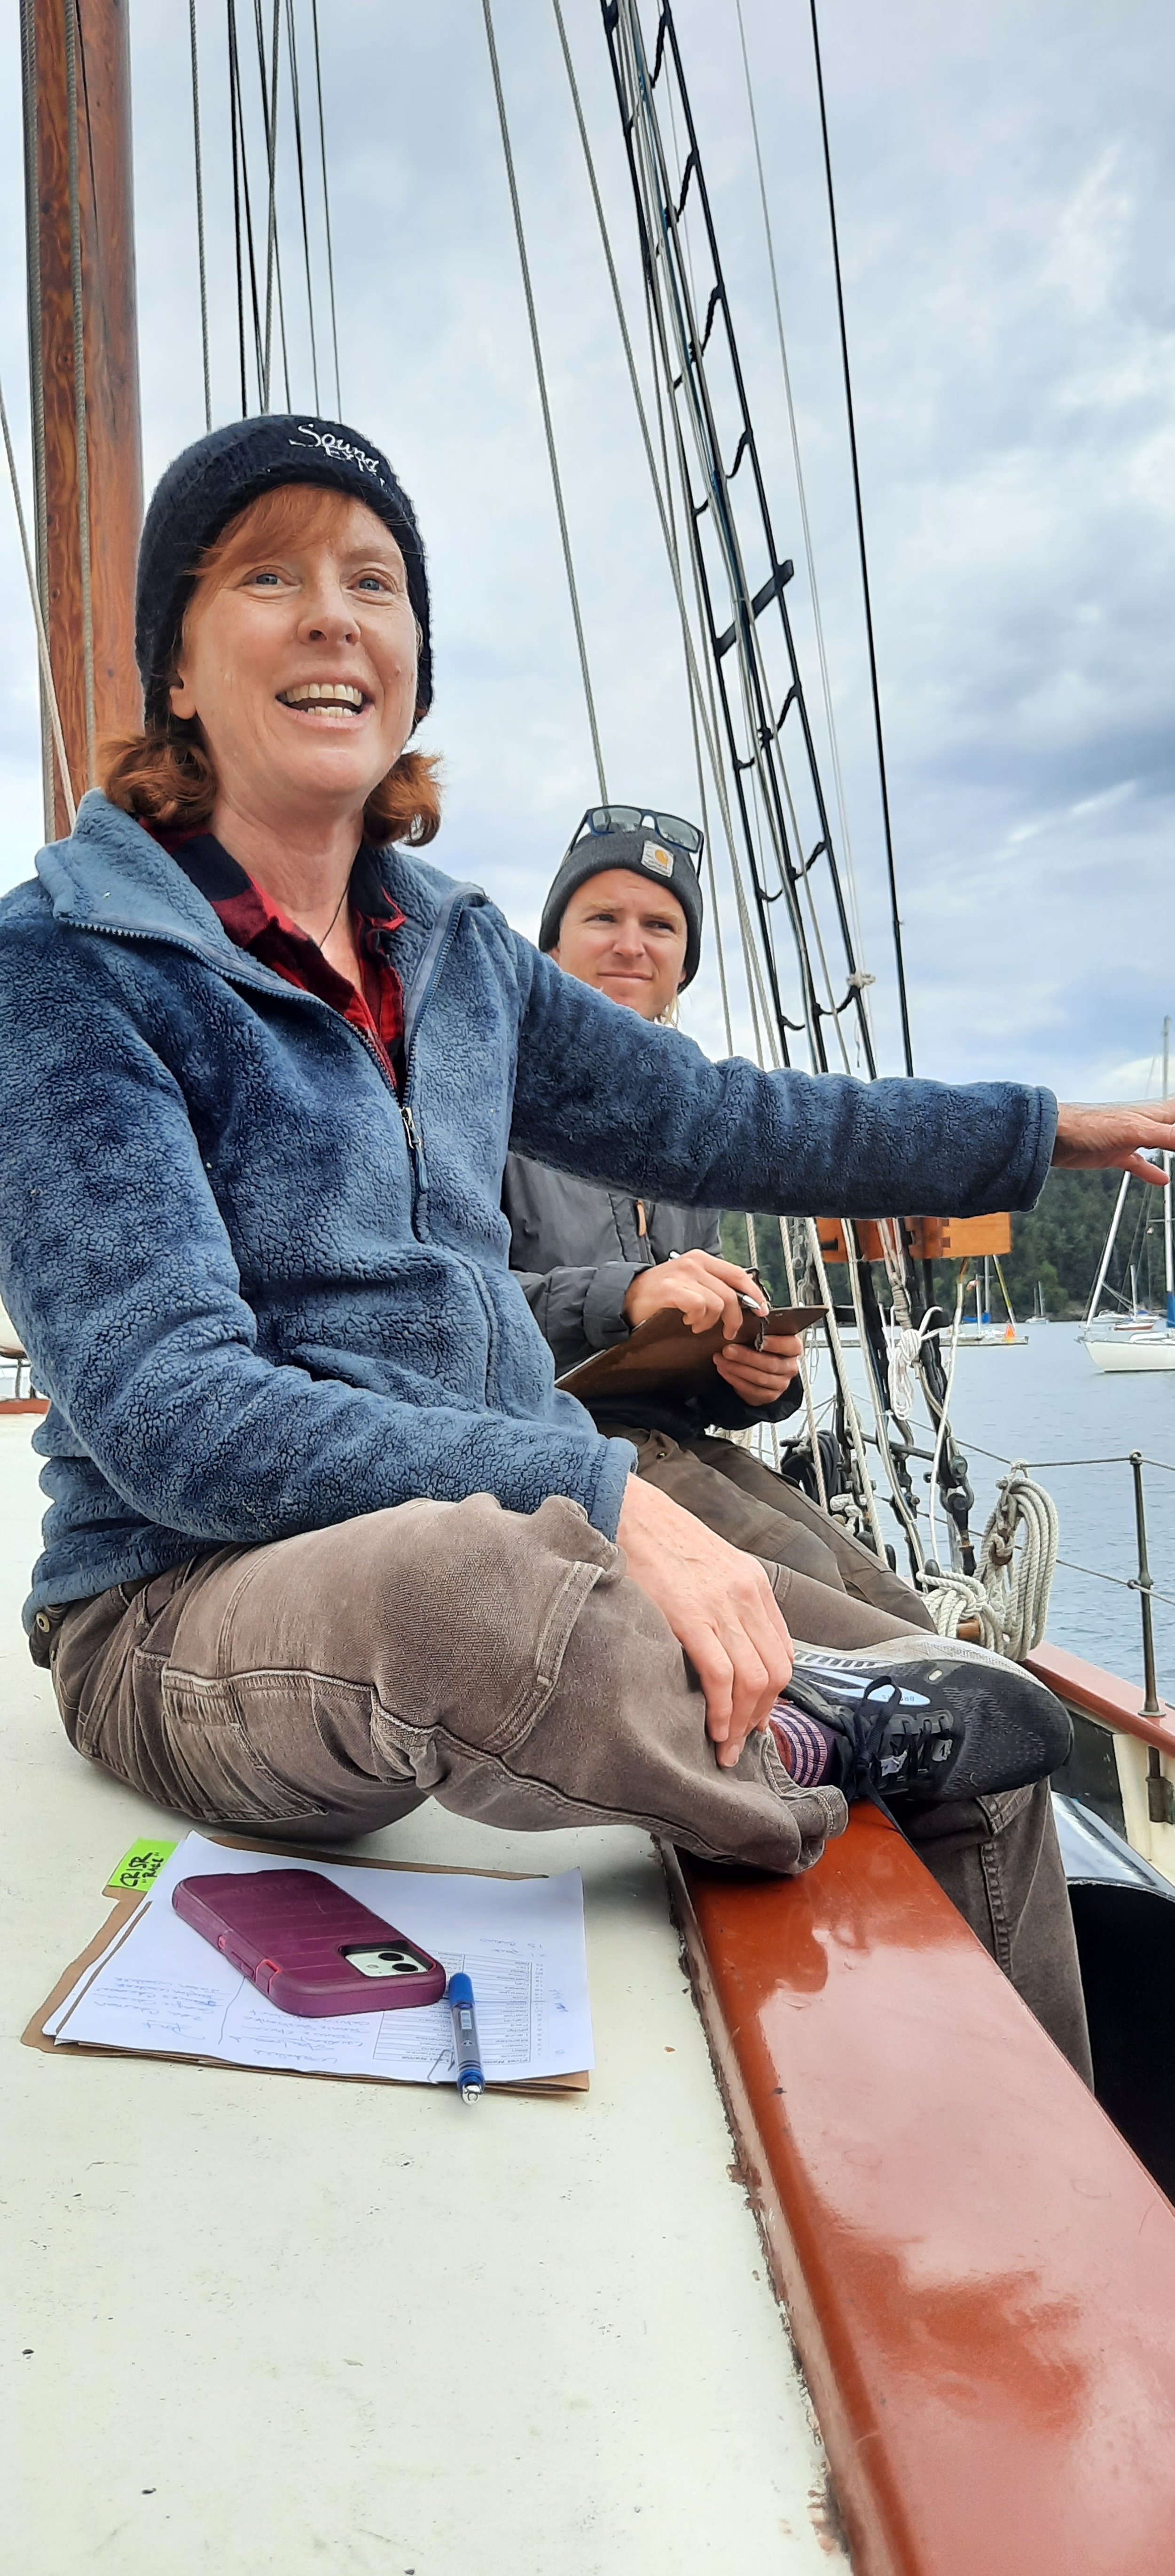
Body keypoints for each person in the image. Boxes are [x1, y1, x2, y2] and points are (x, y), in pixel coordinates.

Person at [1, 414, 1170, 2086]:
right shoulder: (68, 965)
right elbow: (176, 1410)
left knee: (961, 1719)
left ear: (413, 665)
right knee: (465, 1580)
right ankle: (793, 1725)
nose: (334, 614)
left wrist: (1036, 1126)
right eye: (269, 576)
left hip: (540, 1531)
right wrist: (614, 1497)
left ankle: (1054, 2243)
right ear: (178, 669)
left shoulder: (459, 954)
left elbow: (724, 1121)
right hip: (188, 1598)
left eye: (374, 581)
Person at [504, 805, 933, 1640]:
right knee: (818, 1607)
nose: (633, 944)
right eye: (603, 918)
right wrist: (625, 1294)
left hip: (672, 1440)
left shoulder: (685, 1137)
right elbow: (442, 1307)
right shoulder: (490, 1106)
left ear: (683, 969)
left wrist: (751, 1382)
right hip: (552, 1449)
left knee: (901, 1614)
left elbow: (686, 1355)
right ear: (551, 949)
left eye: (661, 926)